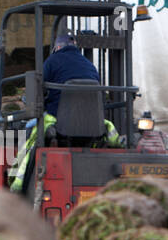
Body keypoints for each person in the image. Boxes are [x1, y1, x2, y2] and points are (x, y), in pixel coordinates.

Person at [9, 32, 121, 193]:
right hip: (92, 123)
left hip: (58, 121)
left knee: (30, 127)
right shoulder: (89, 65)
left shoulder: (52, 61)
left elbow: (37, 88)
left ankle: (20, 183)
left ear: (58, 47)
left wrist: (28, 98)